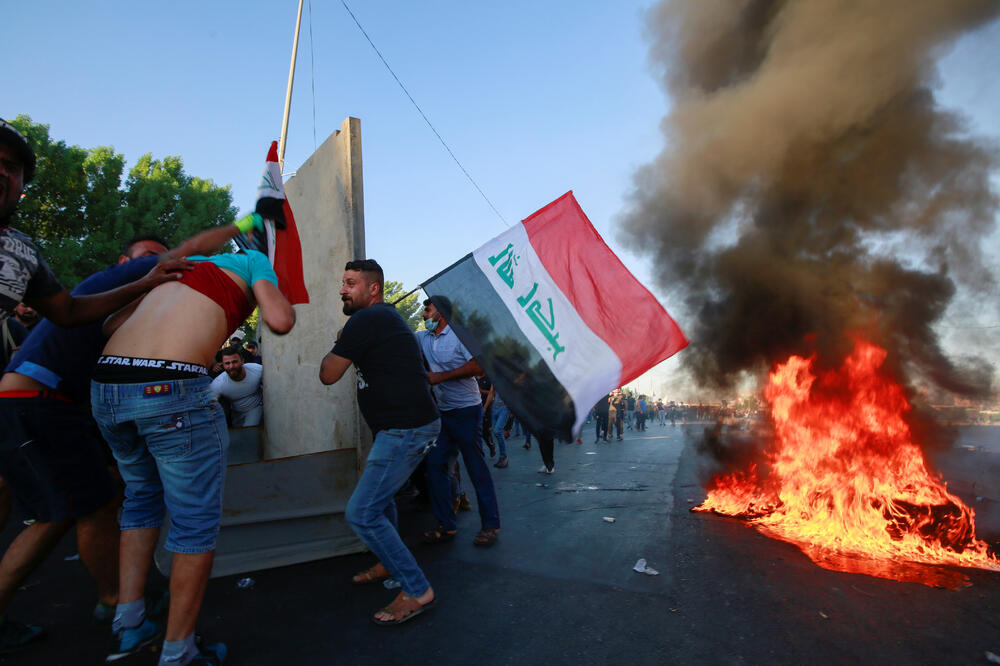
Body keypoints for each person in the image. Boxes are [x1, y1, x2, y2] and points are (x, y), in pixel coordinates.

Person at [91, 215, 295, 665]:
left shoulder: (180, 264)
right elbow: (279, 320)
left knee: (140, 501)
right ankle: (178, 653)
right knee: (194, 524)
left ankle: (129, 624)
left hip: (107, 387)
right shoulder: (255, 262)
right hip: (170, 387)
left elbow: (110, 326)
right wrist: (274, 291)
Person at [0, 235, 182, 654]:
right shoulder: (120, 284)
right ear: (124, 263)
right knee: (71, 512)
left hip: (39, 403)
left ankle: (114, 594)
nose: (160, 266)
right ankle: (114, 599)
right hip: (37, 401)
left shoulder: (117, 307)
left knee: (101, 493)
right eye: (149, 259)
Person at [319, 259, 440, 625]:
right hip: (399, 428)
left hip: (406, 429)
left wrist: (341, 341)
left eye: (350, 283)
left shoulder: (367, 320)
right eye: (343, 282)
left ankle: (417, 588)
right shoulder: (381, 319)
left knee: (362, 512)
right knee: (381, 500)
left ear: (373, 289)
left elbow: (328, 374)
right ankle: (389, 563)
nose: (343, 289)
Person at [417, 297, 501, 547]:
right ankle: (446, 525)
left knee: (475, 467)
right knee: (435, 467)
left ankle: (491, 525)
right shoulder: (423, 338)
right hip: (443, 413)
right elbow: (398, 337)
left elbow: (478, 367)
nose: (424, 314)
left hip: (467, 411)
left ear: (441, 313)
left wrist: (441, 377)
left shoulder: (460, 336)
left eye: (428, 309)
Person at [210, 346, 263, 427]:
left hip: (256, 408)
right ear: (223, 365)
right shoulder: (219, 383)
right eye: (227, 363)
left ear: (242, 361)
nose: (231, 366)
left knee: (250, 428)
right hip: (235, 414)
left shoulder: (257, 370)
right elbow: (208, 405)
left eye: (234, 362)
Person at [484, 385, 509, 468]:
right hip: (495, 408)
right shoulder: (495, 379)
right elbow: (491, 393)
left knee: (497, 431)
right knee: (497, 433)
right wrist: (484, 408)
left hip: (505, 407)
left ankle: (504, 456)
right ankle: (502, 457)